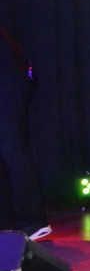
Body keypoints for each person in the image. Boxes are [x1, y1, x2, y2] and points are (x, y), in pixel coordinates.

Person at [0, 23, 51, 241]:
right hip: (11, 76)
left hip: (7, 78)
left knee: (12, 148)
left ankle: (34, 221)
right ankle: (7, 222)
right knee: (7, 151)